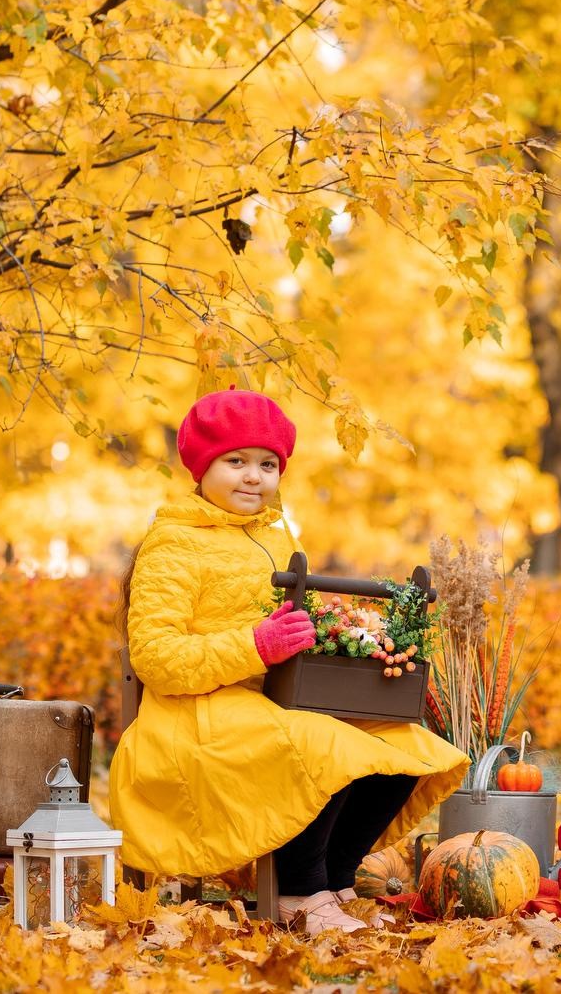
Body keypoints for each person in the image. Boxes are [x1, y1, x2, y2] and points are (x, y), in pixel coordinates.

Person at [109, 389, 467, 933]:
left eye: (267, 464)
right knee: (326, 746)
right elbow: (157, 657)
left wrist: (354, 640)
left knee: (405, 746)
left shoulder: (277, 538)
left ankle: (334, 877)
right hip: (191, 716)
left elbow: (297, 627)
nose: (253, 477)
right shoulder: (174, 544)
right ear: (202, 467)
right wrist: (257, 645)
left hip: (268, 700)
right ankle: (297, 890)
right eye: (236, 462)